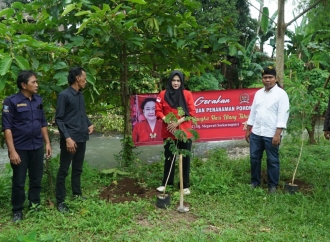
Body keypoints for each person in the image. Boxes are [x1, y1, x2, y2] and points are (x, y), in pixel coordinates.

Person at [2, 70, 52, 222]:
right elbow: (7, 127)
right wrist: (12, 151)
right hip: (20, 148)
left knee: (36, 179)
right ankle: (17, 210)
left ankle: (34, 205)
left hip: (36, 146)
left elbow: (42, 122)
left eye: (36, 82)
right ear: (24, 85)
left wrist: (47, 143)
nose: (37, 85)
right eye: (33, 82)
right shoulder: (11, 101)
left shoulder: (38, 100)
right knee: (19, 180)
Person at [245, 66, 290, 194]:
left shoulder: (281, 94)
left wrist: (277, 134)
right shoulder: (258, 94)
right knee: (254, 158)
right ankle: (255, 182)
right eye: (265, 78)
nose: (268, 80)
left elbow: (283, 115)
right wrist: (248, 129)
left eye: (270, 77)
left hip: (271, 134)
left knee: (273, 160)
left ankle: (272, 186)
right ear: (262, 79)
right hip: (257, 133)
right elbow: (253, 112)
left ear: (276, 79)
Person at [55, 67, 94, 212]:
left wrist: (89, 124)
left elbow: (81, 114)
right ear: (77, 78)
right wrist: (67, 138)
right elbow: (59, 119)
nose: (86, 80)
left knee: (77, 168)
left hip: (82, 136)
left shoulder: (80, 95)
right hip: (70, 139)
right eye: (84, 77)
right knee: (64, 170)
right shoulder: (64, 95)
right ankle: (60, 201)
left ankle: (77, 194)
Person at [155, 70, 196, 195]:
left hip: (184, 132)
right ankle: (166, 183)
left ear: (181, 81)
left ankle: (184, 185)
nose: (176, 83)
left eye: (178, 81)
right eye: (174, 80)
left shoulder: (187, 94)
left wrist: (177, 123)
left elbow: (191, 112)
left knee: (185, 158)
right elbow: (158, 111)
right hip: (169, 132)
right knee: (169, 157)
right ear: (170, 81)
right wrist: (167, 120)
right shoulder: (162, 94)